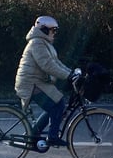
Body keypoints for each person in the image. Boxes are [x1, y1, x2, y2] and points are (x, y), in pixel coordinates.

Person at [14, 15, 80, 147]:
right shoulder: (37, 43)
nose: (54, 33)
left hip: (37, 81)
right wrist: (68, 76)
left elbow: (56, 63)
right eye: (53, 30)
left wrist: (71, 73)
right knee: (58, 104)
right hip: (30, 83)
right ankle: (52, 137)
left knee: (55, 104)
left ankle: (33, 134)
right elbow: (47, 65)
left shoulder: (44, 43)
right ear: (44, 30)